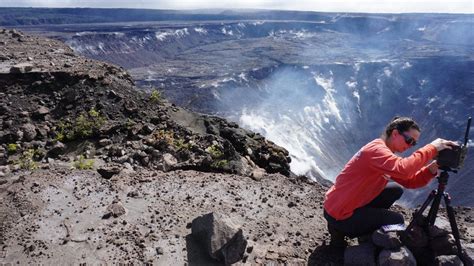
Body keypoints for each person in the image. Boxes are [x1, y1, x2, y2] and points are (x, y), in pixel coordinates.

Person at [323, 116, 458, 247]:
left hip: (340, 205)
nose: (411, 145)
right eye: (409, 140)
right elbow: (404, 169)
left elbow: (410, 181)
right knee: (396, 221)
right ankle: (357, 236)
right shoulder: (376, 151)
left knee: (395, 189)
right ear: (394, 133)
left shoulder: (382, 153)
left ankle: (356, 228)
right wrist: (432, 148)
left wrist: (434, 167)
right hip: (340, 213)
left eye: (414, 143)